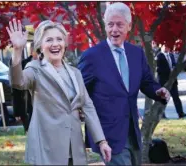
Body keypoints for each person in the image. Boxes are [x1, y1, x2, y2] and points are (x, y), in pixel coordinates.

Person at [6, 19, 111, 165]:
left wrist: (101, 141)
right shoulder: (35, 69)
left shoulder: (75, 73)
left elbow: (88, 107)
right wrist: (17, 51)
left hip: (74, 148)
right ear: (40, 46)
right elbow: (18, 82)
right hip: (47, 148)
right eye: (49, 40)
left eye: (59, 39)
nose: (55, 44)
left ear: (65, 44)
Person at [78, 2, 170, 166]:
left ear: (128, 26)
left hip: (133, 132)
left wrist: (158, 91)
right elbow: (79, 90)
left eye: (119, 24)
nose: (114, 30)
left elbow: (147, 82)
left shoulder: (136, 53)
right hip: (107, 135)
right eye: (110, 24)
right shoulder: (92, 56)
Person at [156, 44, 186, 119]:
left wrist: (174, 68)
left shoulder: (171, 55)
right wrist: (169, 71)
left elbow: (174, 64)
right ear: (161, 46)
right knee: (163, 99)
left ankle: (181, 114)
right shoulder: (159, 56)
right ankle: (162, 115)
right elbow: (159, 70)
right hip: (164, 82)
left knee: (176, 98)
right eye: (165, 46)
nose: (167, 48)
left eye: (168, 46)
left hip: (173, 81)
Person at [12, 42, 36, 133]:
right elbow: (15, 90)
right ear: (31, 51)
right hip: (26, 105)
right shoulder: (22, 64)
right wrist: (17, 111)